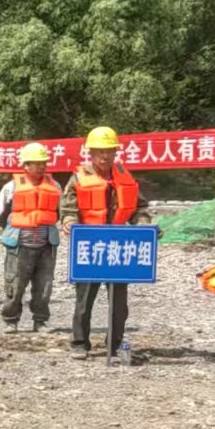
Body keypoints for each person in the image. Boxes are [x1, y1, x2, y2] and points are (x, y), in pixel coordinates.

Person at [62, 126, 151, 360]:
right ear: (90, 153)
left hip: (118, 247)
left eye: (109, 151)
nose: (104, 156)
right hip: (90, 246)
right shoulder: (78, 178)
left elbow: (139, 208)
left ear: (115, 152)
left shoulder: (125, 177)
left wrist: (143, 224)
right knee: (84, 299)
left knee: (119, 302)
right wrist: (70, 222)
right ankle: (80, 342)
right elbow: (68, 209)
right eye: (99, 152)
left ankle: (115, 343)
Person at [0, 142, 62, 334]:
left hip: (46, 245)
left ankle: (40, 320)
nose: (41, 167)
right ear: (25, 165)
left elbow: (59, 212)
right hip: (19, 246)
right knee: (15, 284)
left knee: (44, 286)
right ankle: (11, 320)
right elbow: (0, 214)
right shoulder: (10, 187)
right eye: (36, 163)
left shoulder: (55, 186)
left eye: (43, 163)